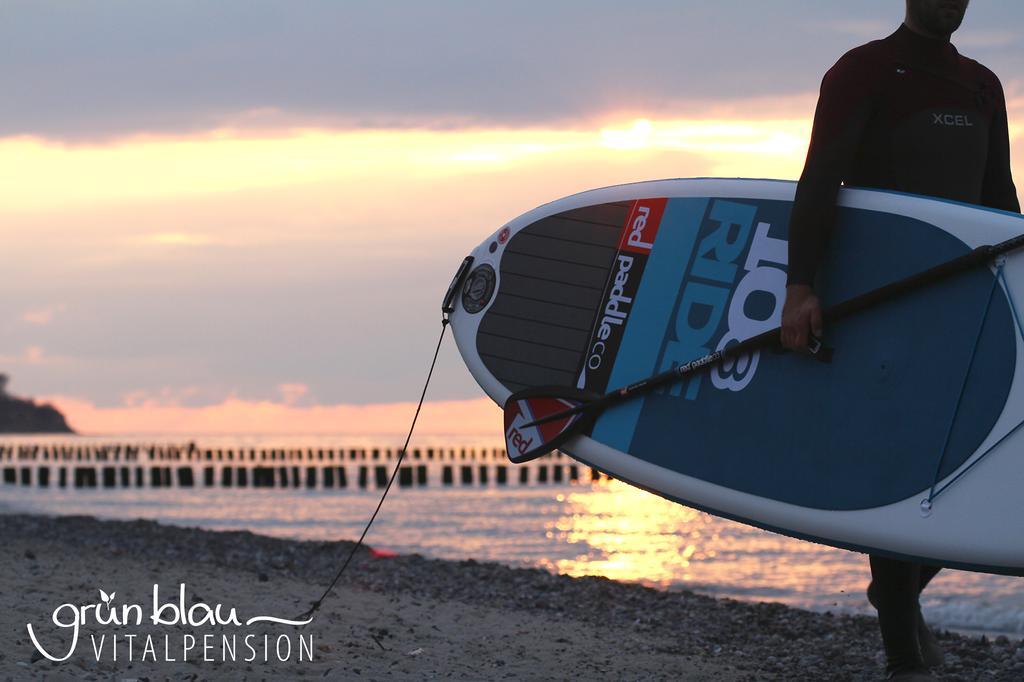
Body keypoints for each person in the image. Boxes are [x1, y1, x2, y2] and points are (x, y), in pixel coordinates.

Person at [780, 0, 1018, 680]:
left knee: (972, 465)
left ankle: (896, 590)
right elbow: (821, 180)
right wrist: (801, 286)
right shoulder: (864, 71)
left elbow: (998, 197)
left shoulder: (982, 84)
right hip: (881, 300)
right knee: (902, 456)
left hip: (964, 301)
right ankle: (901, 651)